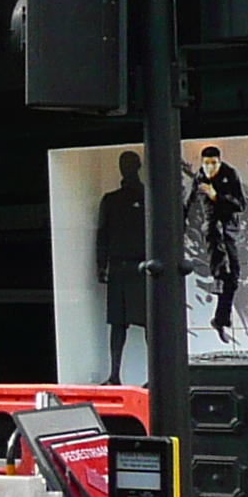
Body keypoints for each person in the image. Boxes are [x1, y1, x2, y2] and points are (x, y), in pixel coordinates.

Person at [95, 152, 146, 386]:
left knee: (149, 323)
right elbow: (102, 233)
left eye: (129, 165)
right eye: (122, 165)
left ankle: (154, 376)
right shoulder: (111, 199)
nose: (125, 169)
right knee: (117, 323)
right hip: (118, 265)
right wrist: (101, 263)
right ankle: (114, 374)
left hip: (142, 265)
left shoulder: (148, 197)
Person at [189, 146, 247, 337]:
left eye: (214, 163)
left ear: (219, 162)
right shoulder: (198, 178)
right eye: (206, 163)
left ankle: (220, 318)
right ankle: (218, 285)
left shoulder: (230, 174)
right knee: (222, 271)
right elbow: (185, 204)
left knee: (233, 276)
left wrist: (216, 195)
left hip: (229, 229)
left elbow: (240, 204)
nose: (210, 167)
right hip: (212, 230)